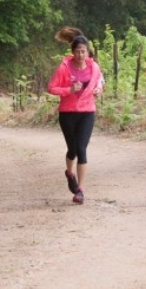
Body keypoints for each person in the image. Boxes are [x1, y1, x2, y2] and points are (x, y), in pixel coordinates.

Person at [47, 27, 104, 205]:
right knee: (72, 149)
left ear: (88, 52)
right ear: (73, 52)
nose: (81, 55)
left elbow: (100, 80)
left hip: (87, 112)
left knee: (81, 149)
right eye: (78, 51)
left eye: (84, 51)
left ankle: (80, 190)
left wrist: (98, 89)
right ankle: (69, 173)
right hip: (67, 113)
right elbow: (51, 88)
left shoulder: (93, 67)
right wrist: (68, 90)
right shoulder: (64, 67)